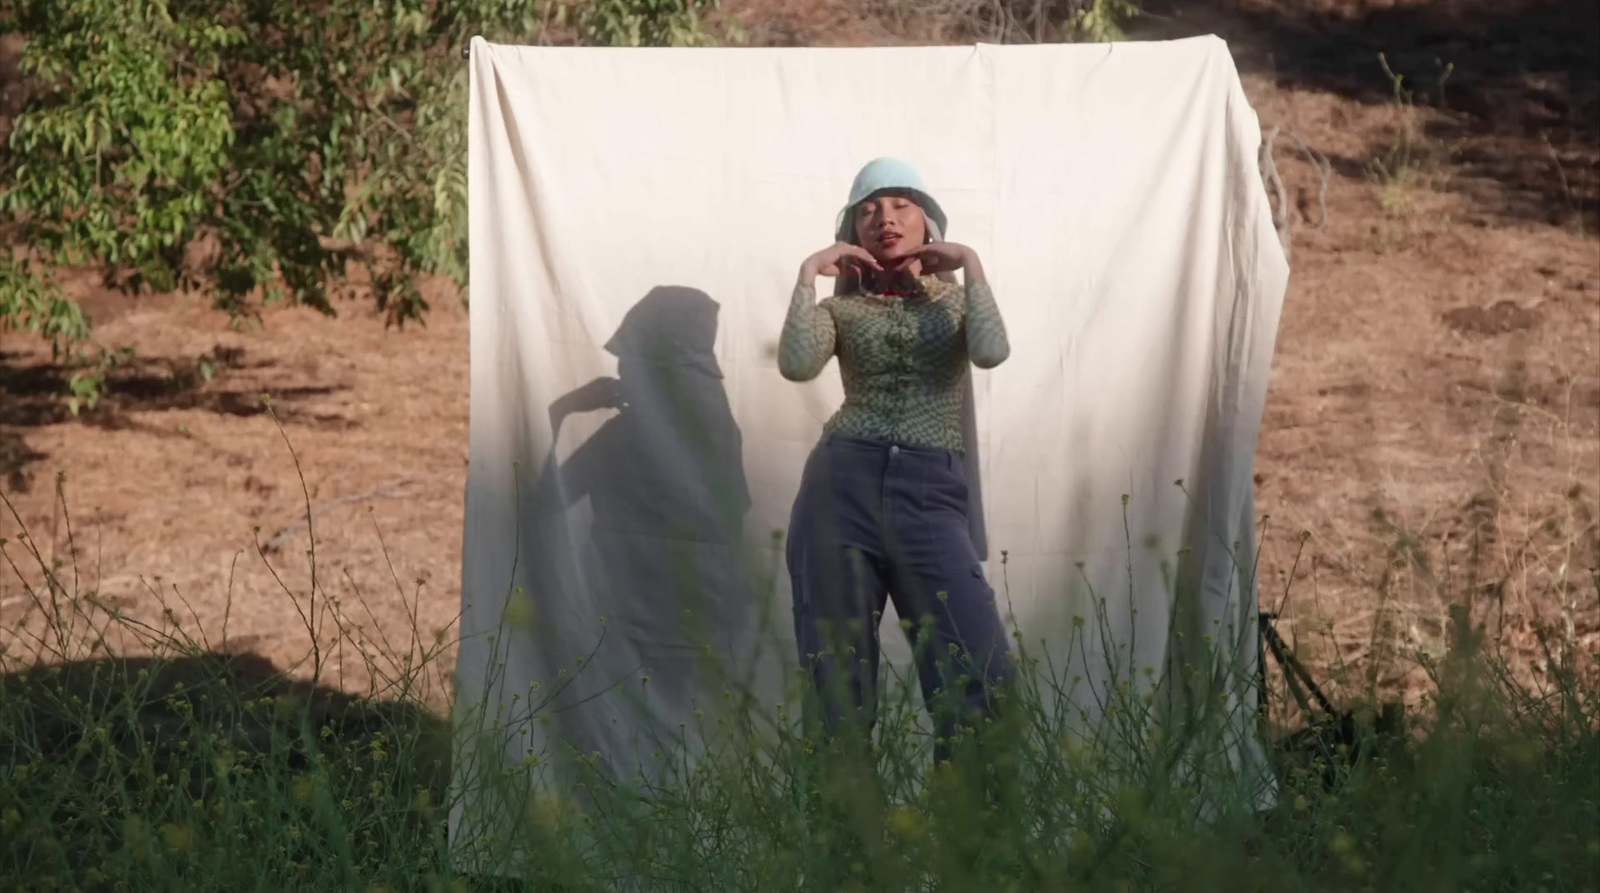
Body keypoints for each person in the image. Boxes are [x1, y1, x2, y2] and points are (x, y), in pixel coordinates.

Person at [779, 157, 1015, 763]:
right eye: (868, 210)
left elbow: (991, 352)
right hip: (840, 488)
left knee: (981, 682)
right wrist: (808, 276)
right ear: (851, 233)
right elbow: (797, 364)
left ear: (927, 220)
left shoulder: (955, 307)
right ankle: (848, 857)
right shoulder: (841, 311)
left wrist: (972, 267)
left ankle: (970, 852)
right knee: (837, 697)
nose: (885, 218)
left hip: (929, 493)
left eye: (901, 205)